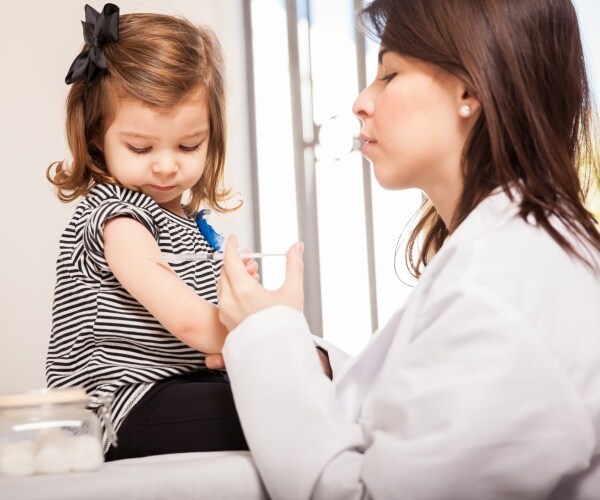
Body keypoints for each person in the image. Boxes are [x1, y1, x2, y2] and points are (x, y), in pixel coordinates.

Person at [210, 0, 600, 498]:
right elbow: (422, 410)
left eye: (390, 74)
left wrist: (264, 335)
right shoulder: (510, 254)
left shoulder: (507, 282)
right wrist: (310, 360)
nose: (361, 101)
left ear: (469, 88)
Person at [45, 3, 257, 460]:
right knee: (274, 405)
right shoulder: (118, 218)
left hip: (176, 385)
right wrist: (261, 334)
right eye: (140, 147)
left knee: (287, 393)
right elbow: (186, 321)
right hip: (116, 407)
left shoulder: (189, 223)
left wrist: (239, 298)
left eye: (189, 145)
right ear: (98, 133)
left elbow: (206, 314)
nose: (166, 164)